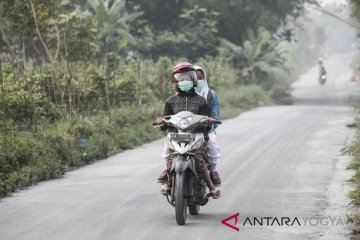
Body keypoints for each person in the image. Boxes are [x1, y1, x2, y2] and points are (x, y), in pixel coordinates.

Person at [155, 62, 220, 199]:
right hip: (176, 136)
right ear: (176, 81)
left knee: (199, 160)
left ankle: (211, 187)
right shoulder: (171, 101)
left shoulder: (201, 100)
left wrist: (208, 121)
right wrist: (162, 121)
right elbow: (166, 121)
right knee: (170, 158)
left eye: (188, 78)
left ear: (194, 80)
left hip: (197, 137)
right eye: (181, 78)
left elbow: (206, 123)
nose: (184, 81)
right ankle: (169, 183)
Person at [194, 65, 222, 186]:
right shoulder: (182, 94)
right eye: (195, 78)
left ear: (204, 78)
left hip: (206, 129)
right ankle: (169, 168)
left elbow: (215, 114)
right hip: (186, 129)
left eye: (201, 78)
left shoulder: (211, 94)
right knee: (169, 144)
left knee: (212, 146)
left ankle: (214, 171)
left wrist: (212, 124)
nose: (198, 81)